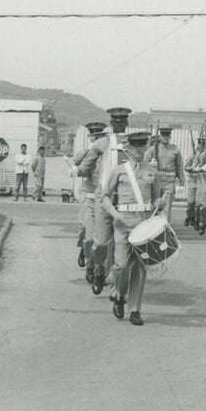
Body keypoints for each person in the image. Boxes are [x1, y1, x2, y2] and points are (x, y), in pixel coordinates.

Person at [100, 129, 169, 326]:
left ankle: (135, 309)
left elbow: (156, 197)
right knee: (121, 266)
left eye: (142, 145)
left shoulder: (152, 171)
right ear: (128, 148)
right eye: (135, 145)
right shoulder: (119, 171)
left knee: (140, 268)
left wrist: (160, 203)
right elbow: (105, 196)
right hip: (123, 222)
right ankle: (119, 295)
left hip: (143, 224)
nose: (139, 149)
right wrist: (114, 214)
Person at [90, 107, 132, 293]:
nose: (119, 125)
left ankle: (116, 285)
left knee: (121, 244)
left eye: (123, 122)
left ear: (127, 123)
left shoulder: (133, 144)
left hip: (124, 197)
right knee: (100, 242)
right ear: (111, 124)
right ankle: (98, 269)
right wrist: (83, 169)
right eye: (116, 122)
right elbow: (88, 160)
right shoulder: (104, 142)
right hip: (105, 195)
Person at [73, 120, 107, 276]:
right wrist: (87, 153)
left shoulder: (108, 155)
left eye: (98, 136)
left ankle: (94, 265)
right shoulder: (87, 152)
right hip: (88, 195)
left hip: (101, 198)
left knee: (100, 236)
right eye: (93, 136)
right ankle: (86, 254)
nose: (96, 139)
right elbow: (77, 164)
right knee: (86, 231)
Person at [147, 126, 186, 222]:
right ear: (160, 136)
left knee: (167, 207)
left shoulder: (175, 150)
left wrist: (182, 180)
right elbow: (143, 164)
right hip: (156, 180)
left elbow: (179, 166)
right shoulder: (153, 149)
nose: (165, 138)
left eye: (167, 136)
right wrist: (150, 164)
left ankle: (164, 229)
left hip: (169, 181)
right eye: (163, 135)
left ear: (170, 137)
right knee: (154, 206)